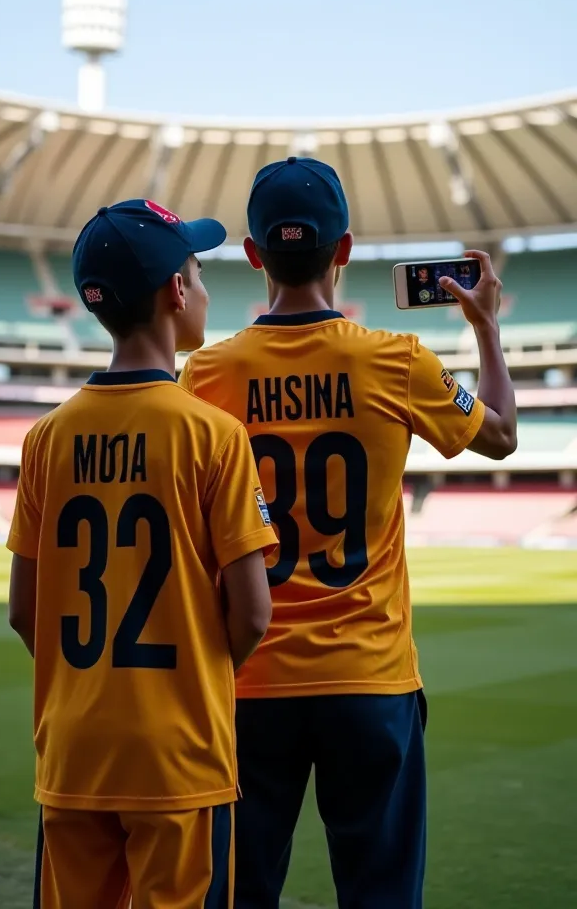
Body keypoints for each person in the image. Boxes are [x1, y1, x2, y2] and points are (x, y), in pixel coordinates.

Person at [179, 158, 517, 909]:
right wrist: (486, 328)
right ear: (345, 250)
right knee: (382, 896)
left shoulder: (204, 374)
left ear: (253, 254)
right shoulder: (397, 360)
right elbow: (500, 438)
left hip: (247, 679)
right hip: (371, 681)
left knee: (236, 894)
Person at [7, 199, 277, 909]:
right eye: (197, 270)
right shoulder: (213, 434)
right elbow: (252, 614)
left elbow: (23, 611)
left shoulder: (45, 438)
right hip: (178, 755)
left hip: (72, 748)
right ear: (176, 291)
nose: (204, 288)